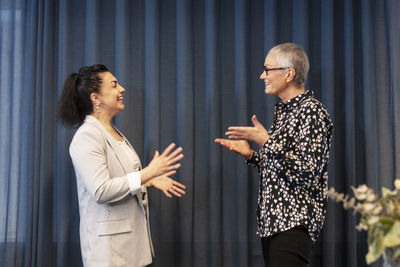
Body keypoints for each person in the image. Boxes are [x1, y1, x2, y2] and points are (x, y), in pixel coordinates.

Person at [215, 43, 333, 267]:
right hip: (275, 224)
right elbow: (286, 168)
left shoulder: (311, 110)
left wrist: (267, 142)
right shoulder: (288, 111)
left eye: (267, 70)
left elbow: (308, 173)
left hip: (293, 223)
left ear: (289, 73)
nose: (262, 76)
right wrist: (252, 156)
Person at [57, 64, 186, 267]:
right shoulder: (87, 136)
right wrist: (148, 172)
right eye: (114, 85)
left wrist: (148, 181)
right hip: (110, 255)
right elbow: (101, 191)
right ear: (96, 98)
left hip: (130, 248)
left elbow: (123, 180)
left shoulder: (112, 132)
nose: (122, 89)